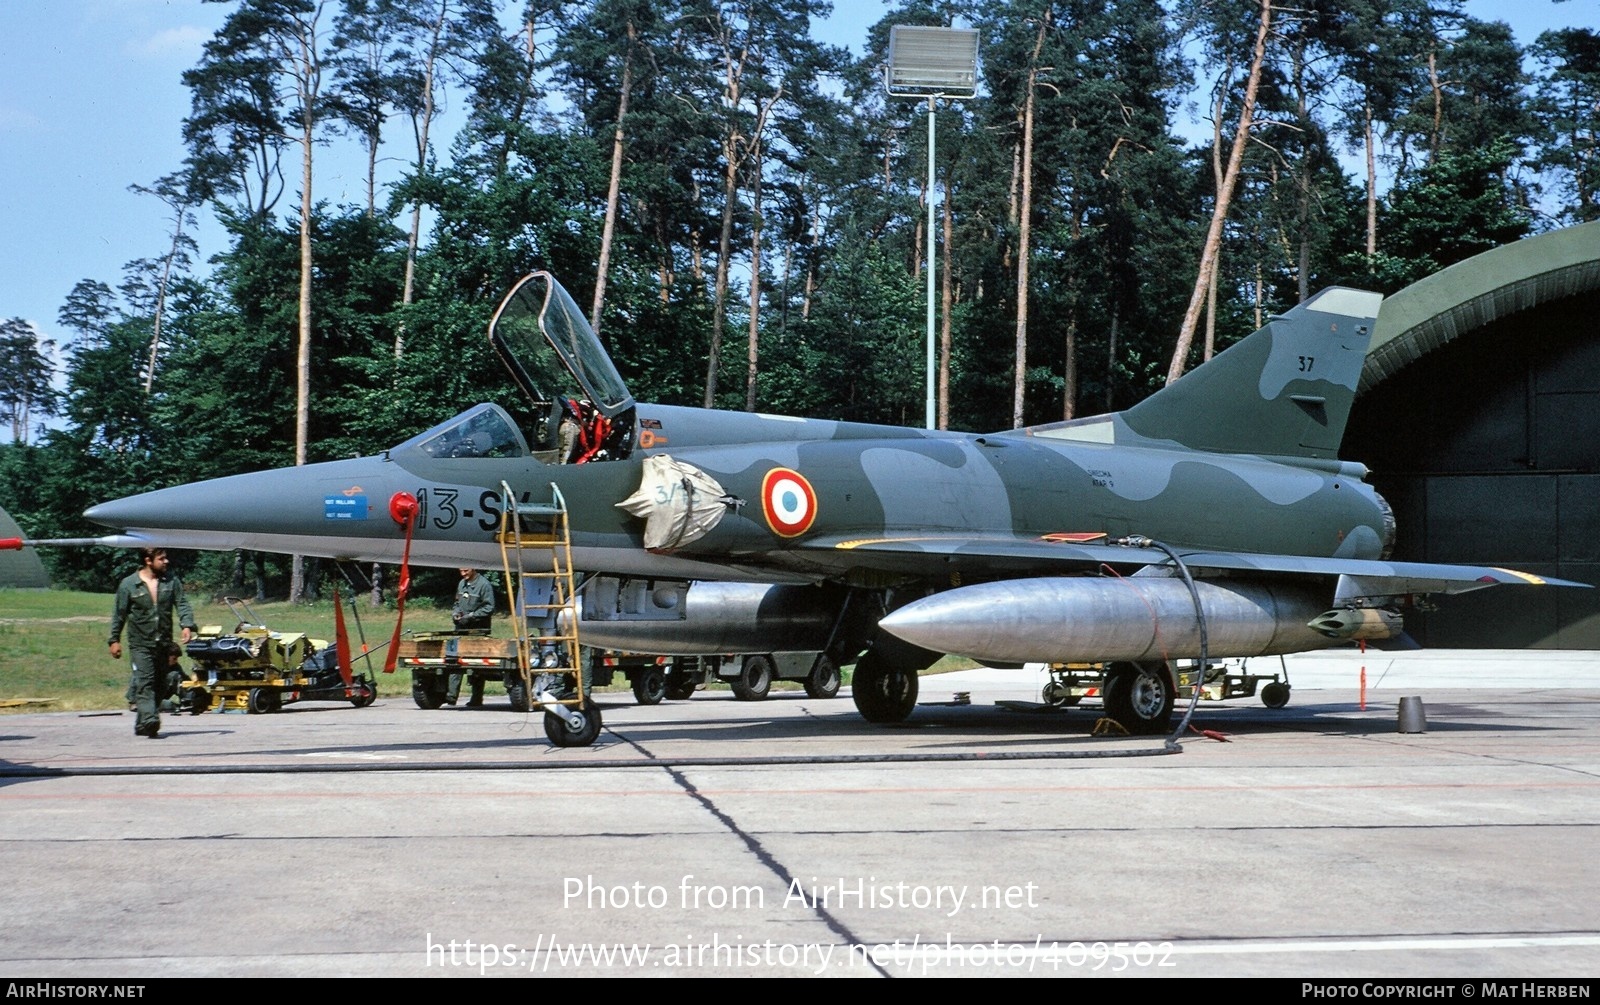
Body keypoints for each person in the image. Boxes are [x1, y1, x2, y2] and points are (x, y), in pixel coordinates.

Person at [108, 548, 197, 738]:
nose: (166, 562)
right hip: (140, 643)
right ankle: (150, 720)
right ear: (148, 560)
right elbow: (119, 614)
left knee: (161, 683)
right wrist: (114, 640)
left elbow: (182, 603)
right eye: (161, 558)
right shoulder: (129, 584)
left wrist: (187, 625)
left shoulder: (171, 582)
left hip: (163, 643)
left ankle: (142, 724)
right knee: (145, 682)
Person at [447, 568, 495, 707]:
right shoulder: (462, 583)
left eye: (466, 571)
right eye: (461, 571)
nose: (463, 574)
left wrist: (471, 616)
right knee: (454, 658)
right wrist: (456, 613)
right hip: (461, 628)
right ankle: (451, 695)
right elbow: (457, 602)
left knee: (476, 664)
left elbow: (489, 607)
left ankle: (477, 697)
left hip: (478, 630)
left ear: (473, 569)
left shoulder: (484, 585)